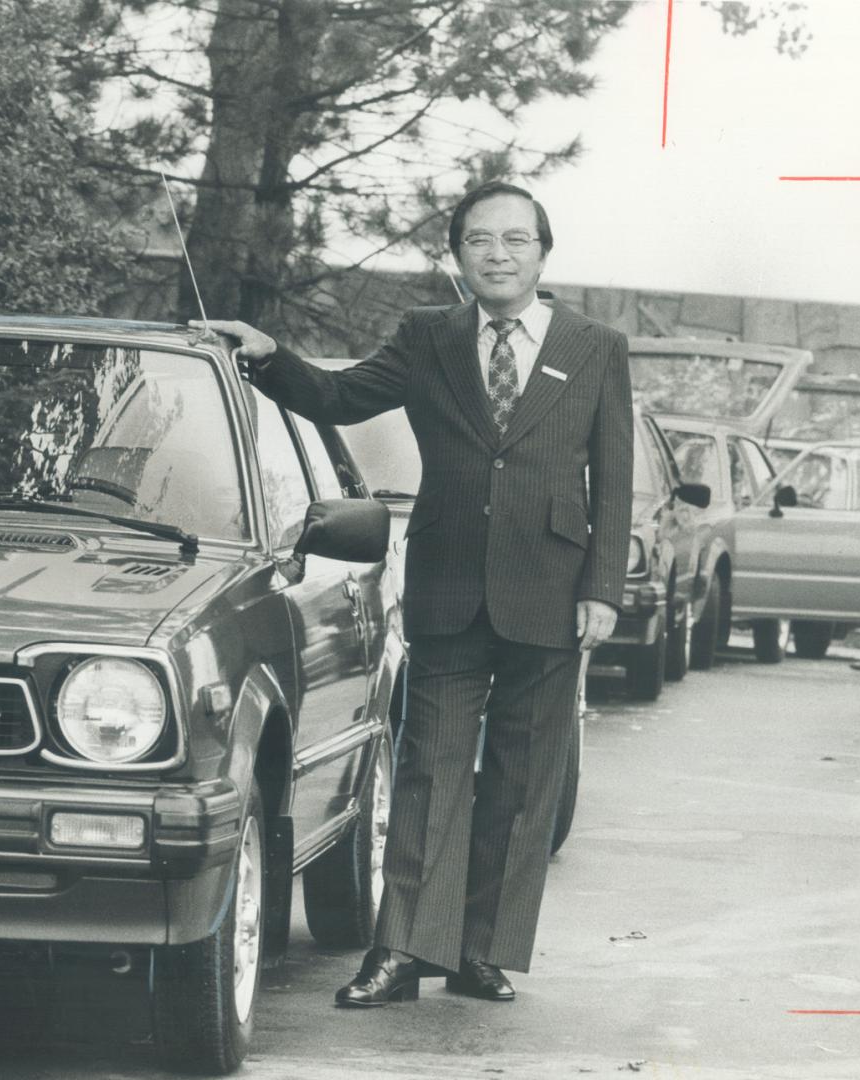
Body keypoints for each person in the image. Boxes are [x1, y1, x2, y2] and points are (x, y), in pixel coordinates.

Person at [197, 180, 633, 1007]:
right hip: (445, 585)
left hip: (551, 588)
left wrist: (601, 589)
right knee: (427, 771)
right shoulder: (426, 335)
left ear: (543, 252)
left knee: (520, 778)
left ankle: (479, 951)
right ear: (455, 256)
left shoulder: (595, 345)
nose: (496, 255)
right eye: (478, 241)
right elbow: (339, 396)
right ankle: (400, 950)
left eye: (514, 240)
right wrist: (265, 354)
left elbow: (612, 479)